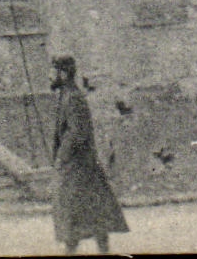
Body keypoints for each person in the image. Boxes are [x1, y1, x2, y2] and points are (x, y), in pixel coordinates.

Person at [51, 55, 128, 254]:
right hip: (78, 166)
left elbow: (77, 132)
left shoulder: (73, 97)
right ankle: (95, 248)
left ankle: (85, 249)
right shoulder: (66, 94)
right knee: (86, 212)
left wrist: (62, 156)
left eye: (53, 71)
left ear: (64, 73)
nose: (49, 76)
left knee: (76, 211)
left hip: (78, 166)